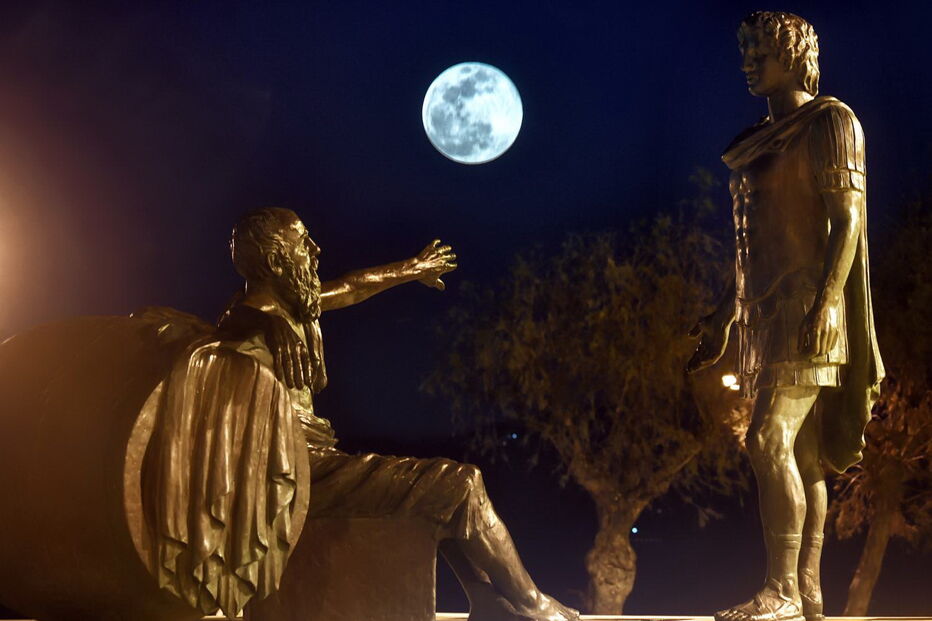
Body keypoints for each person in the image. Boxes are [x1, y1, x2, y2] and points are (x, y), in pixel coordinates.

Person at [219, 206, 578, 621]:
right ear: (276, 261)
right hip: (300, 472)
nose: (316, 250)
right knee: (461, 484)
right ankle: (533, 605)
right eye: (303, 243)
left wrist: (414, 267)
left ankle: (484, 598)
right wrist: (255, 317)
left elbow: (352, 287)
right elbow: (222, 331)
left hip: (317, 464)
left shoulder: (294, 307)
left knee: (435, 491)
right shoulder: (249, 324)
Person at [687, 12, 883, 621]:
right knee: (799, 454)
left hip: (808, 306)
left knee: (767, 437)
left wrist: (829, 300)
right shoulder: (752, 142)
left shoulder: (831, 121)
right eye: (744, 49)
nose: (748, 60)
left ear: (794, 56)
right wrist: (724, 315)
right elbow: (752, 243)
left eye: (761, 50)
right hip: (762, 314)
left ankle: (782, 591)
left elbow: (847, 220)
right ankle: (808, 594)